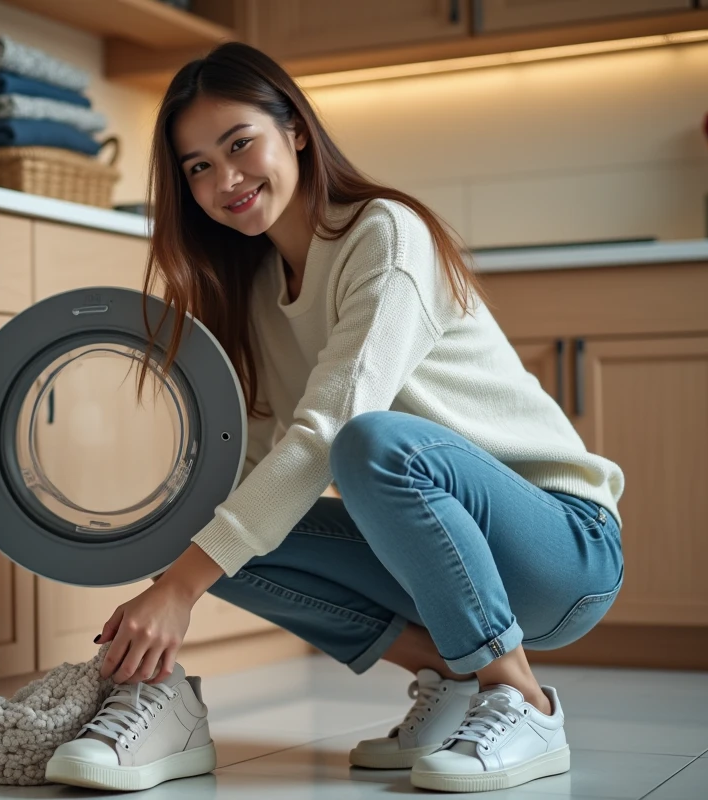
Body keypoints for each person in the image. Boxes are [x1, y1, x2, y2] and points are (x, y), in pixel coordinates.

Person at [93, 41, 625, 793]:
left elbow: (329, 436)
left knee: (370, 442)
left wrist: (181, 590)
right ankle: (456, 678)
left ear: (296, 132)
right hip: (435, 564)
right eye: (199, 168)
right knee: (187, 522)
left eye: (239, 144)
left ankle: (522, 698)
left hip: (561, 550)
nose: (225, 180)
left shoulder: (385, 233)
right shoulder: (254, 290)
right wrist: (170, 575)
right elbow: (267, 465)